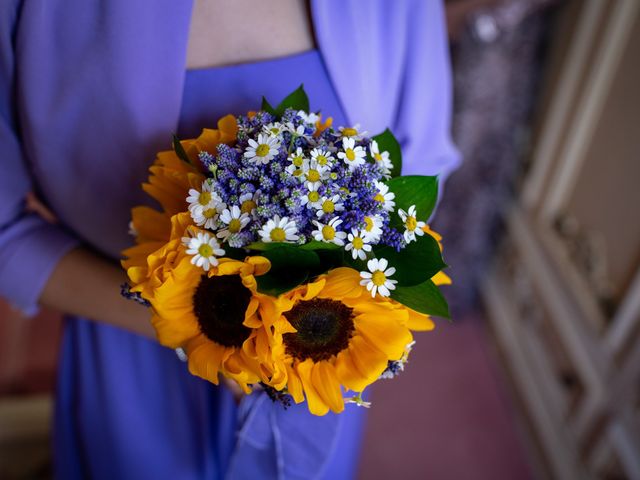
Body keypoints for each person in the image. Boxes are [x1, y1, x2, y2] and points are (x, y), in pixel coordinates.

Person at [0, 0, 460, 478]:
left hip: (309, 372)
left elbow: (420, 168)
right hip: (130, 355)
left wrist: (308, 335)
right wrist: (203, 331)